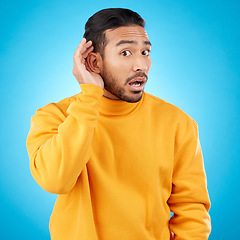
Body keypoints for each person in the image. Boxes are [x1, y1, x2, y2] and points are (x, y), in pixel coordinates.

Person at [26, 8, 211, 240]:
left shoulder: (178, 123)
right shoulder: (55, 116)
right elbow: (55, 180)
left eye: (145, 52)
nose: (140, 65)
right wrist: (90, 95)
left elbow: (191, 208)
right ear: (94, 62)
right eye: (125, 53)